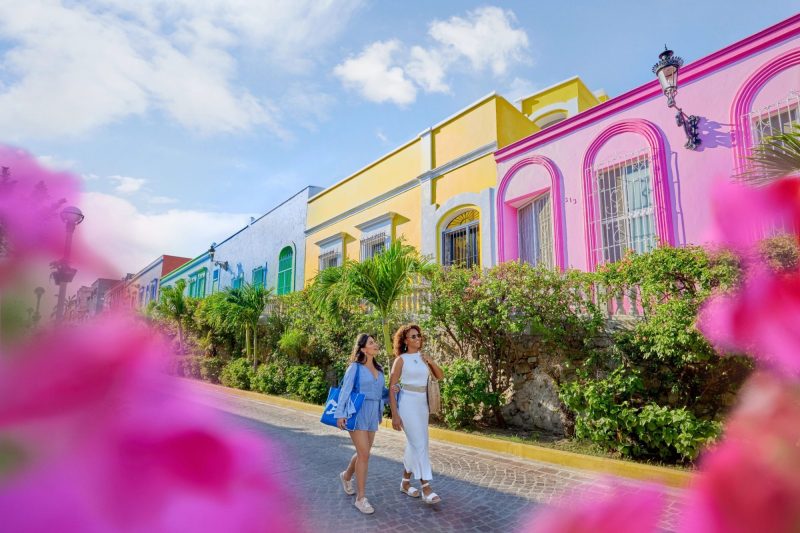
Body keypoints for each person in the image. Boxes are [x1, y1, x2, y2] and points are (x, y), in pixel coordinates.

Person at [388, 324, 445, 504]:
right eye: (413, 336)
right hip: (407, 404)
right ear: (405, 340)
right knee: (420, 444)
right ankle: (426, 488)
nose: (417, 338)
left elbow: (440, 376)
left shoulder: (423, 357)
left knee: (416, 444)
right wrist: (395, 414)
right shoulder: (401, 360)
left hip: (422, 404)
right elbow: (392, 387)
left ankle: (405, 483)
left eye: (419, 335)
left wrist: (430, 361)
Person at [336, 334, 385, 515]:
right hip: (357, 412)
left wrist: (394, 391)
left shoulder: (379, 369)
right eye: (371, 343)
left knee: (363, 453)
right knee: (364, 455)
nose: (375, 344)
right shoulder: (354, 368)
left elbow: (380, 392)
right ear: (363, 349)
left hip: (373, 413)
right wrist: (340, 414)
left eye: (374, 342)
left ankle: (346, 475)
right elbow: (345, 390)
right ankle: (361, 498)